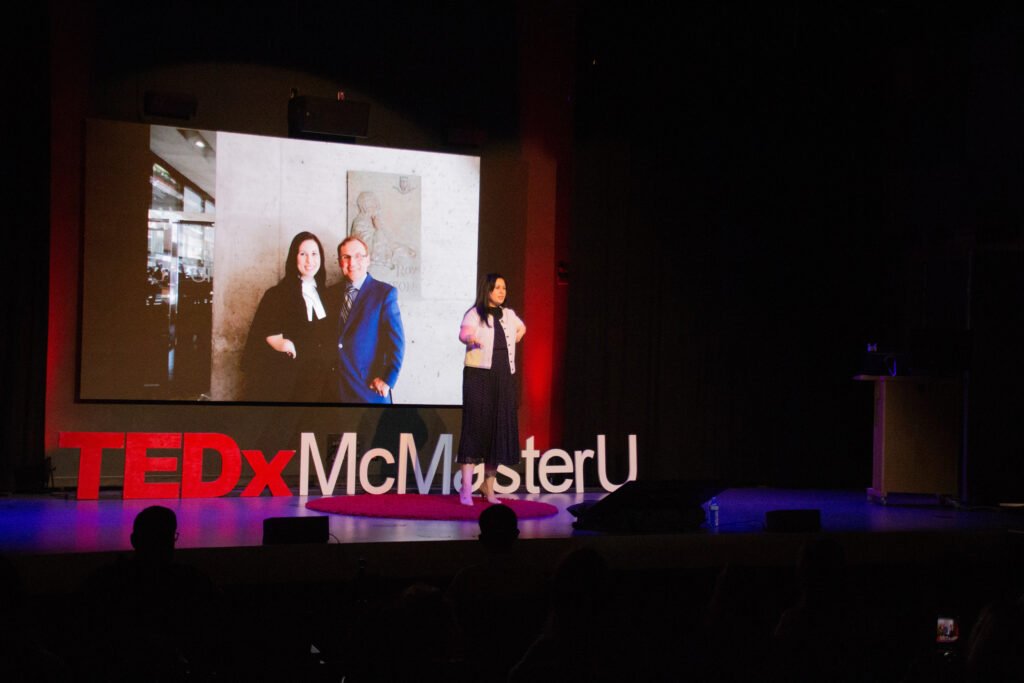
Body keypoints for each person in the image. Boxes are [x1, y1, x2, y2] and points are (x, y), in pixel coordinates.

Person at [457, 273, 526, 505]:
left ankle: (489, 490)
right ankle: (466, 489)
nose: (501, 291)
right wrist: (473, 339)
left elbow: (522, 328)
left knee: (497, 430)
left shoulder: (509, 314)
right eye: (497, 287)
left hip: (503, 376)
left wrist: (516, 337)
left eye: (504, 288)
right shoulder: (475, 312)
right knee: (475, 428)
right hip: (479, 375)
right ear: (487, 290)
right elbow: (463, 334)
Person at [241, 231, 334, 402]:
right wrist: (281, 343)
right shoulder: (277, 294)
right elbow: (264, 331)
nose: (309, 260)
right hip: (288, 382)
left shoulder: (326, 294)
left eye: (314, 254)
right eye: (303, 254)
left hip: (318, 381)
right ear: (294, 257)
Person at [331, 236, 405, 403]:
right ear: (339, 262)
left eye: (358, 256)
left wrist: (388, 380)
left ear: (368, 260)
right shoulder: (330, 294)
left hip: (370, 391)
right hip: (337, 393)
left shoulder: (384, 293)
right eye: (346, 257)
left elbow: (397, 343)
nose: (352, 262)